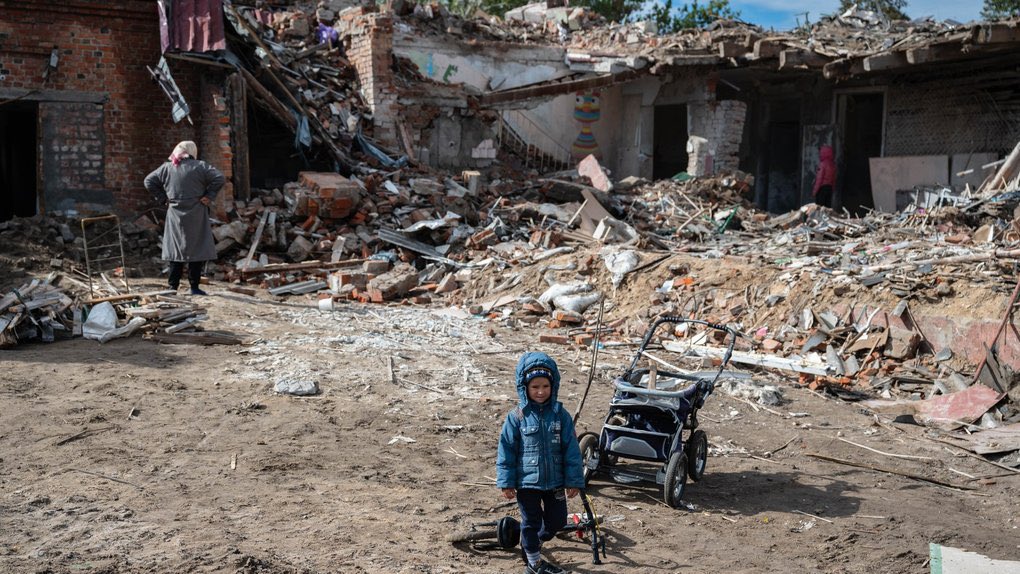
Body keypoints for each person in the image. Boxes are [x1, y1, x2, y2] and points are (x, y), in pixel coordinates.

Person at [497, 352, 585, 574]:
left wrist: (573, 480)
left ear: (553, 385)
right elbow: (506, 450)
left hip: (555, 482)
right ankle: (534, 563)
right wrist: (506, 482)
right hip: (527, 483)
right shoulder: (516, 417)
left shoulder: (560, 416)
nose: (540, 391)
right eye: (534, 386)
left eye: (545, 386)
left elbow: (572, 450)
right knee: (531, 521)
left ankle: (532, 541)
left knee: (555, 522)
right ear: (524, 387)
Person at [144, 141, 225, 295]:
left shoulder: (167, 167)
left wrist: (162, 198)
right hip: (196, 210)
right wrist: (209, 195)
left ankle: (172, 287)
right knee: (197, 247)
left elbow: (148, 181)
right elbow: (219, 178)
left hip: (175, 212)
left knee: (175, 248)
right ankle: (194, 287)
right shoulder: (201, 166)